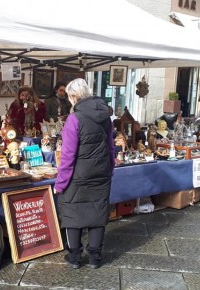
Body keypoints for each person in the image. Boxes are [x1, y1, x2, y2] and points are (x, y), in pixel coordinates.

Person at [54, 78, 115, 269]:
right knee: (98, 212)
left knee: (72, 211)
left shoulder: (74, 119)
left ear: (73, 96)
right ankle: (95, 258)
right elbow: (110, 146)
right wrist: (110, 168)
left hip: (78, 175)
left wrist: (60, 183)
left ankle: (75, 257)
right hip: (101, 172)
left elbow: (68, 156)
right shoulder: (105, 115)